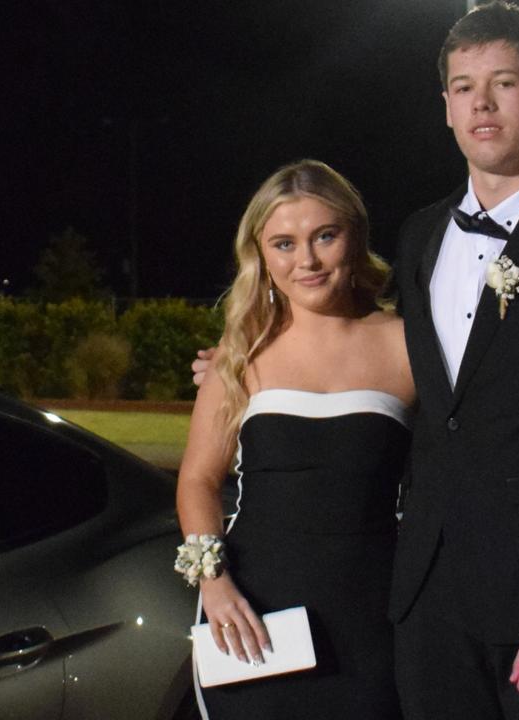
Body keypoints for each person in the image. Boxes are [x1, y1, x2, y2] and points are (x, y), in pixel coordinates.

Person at [194, 4, 519, 718]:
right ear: (446, 107)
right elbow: (421, 393)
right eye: (462, 86)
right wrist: (242, 375)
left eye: (504, 83)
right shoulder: (422, 238)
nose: (480, 102)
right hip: (427, 612)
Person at [176, 159, 415, 719]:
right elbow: (197, 480)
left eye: (324, 237)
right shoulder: (240, 353)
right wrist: (214, 585)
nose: (305, 260)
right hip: (253, 621)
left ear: (354, 237)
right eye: (283, 243)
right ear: (260, 254)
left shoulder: (408, 346)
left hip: (374, 621)